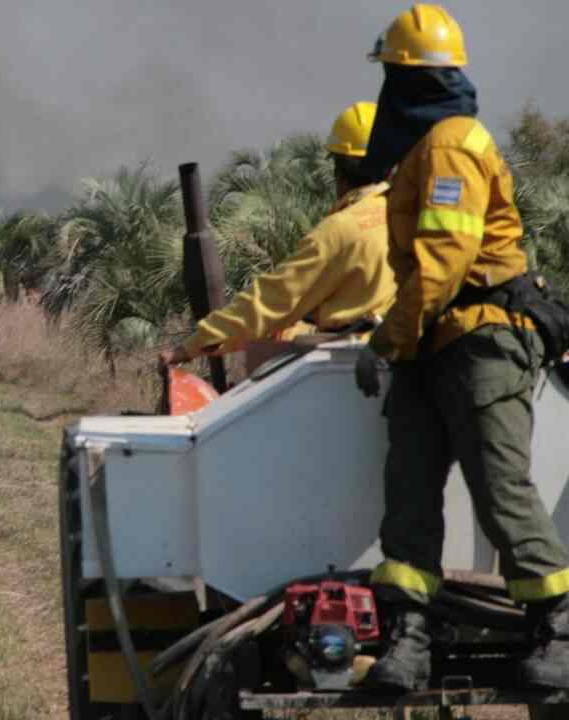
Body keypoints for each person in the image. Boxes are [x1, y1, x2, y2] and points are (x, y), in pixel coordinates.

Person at [353, 3, 569, 692]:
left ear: (406, 79)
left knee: (500, 491)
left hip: (481, 340)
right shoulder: (425, 148)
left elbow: (445, 260)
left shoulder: (451, 144)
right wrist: (401, 340)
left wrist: (386, 340)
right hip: (431, 341)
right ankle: (409, 639)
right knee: (409, 498)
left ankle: (557, 631)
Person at [159, 101, 395, 370]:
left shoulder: (341, 231)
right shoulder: (409, 214)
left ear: (338, 170)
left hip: (348, 367)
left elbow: (272, 300)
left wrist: (189, 347)